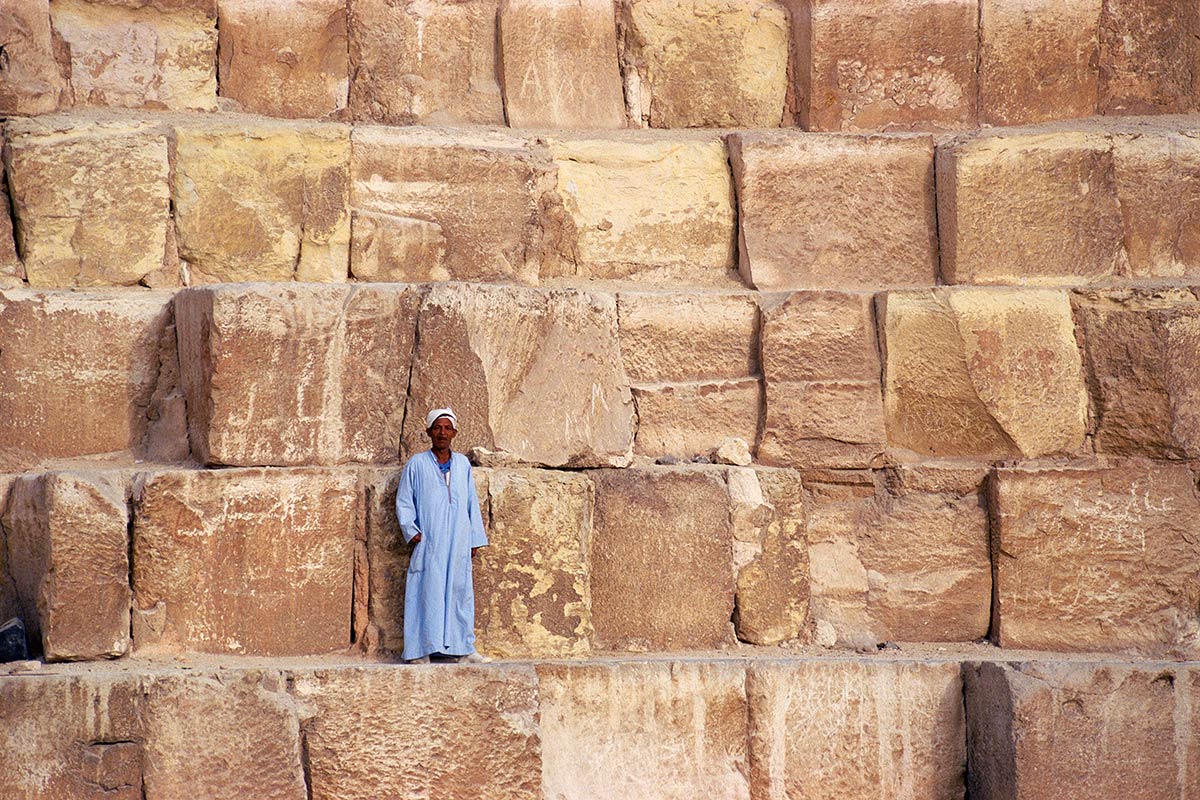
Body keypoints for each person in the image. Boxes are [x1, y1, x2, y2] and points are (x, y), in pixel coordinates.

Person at [396, 407, 489, 664]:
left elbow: (471, 502)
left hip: (458, 540)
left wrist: (474, 539)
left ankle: (463, 648)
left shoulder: (462, 464)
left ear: (454, 433)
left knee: (459, 592)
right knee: (427, 592)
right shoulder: (416, 464)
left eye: (447, 428)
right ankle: (420, 650)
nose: (442, 433)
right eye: (437, 428)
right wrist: (412, 531)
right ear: (428, 432)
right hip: (430, 541)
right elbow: (404, 500)